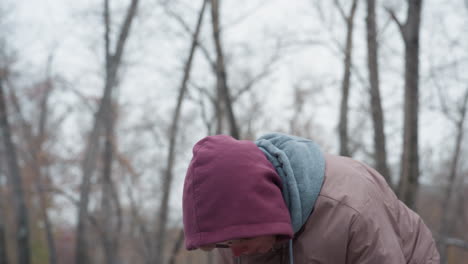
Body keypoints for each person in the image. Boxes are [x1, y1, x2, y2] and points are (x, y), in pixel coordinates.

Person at [182, 133, 440, 263]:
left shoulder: (352, 207)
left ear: (264, 211)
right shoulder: (231, 241)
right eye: (226, 243)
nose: (236, 251)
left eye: (243, 238)